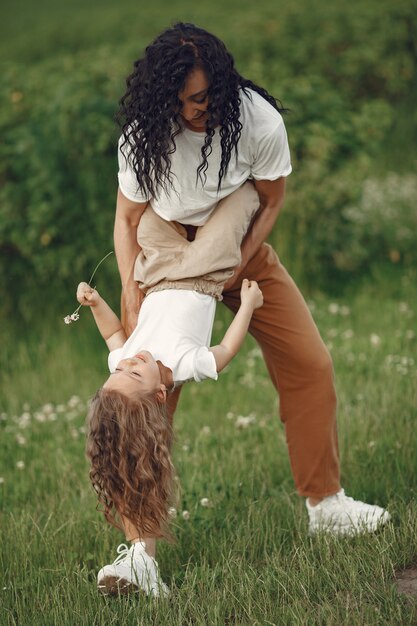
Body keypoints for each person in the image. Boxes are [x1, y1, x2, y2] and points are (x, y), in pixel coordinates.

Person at [112, 21, 390, 592]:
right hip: (164, 262)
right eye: (193, 100)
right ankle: (139, 552)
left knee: (310, 364)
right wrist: (130, 290)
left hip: (237, 253)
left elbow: (269, 203)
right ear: (168, 98)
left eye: (214, 91)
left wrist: (230, 274)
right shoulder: (144, 135)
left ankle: (327, 506)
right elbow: (127, 219)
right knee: (144, 406)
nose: (208, 106)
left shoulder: (257, 119)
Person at [79, 181, 263, 596]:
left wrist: (95, 303)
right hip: (203, 273)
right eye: (132, 373)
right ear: (160, 395)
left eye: (120, 368)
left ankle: (141, 561)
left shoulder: (126, 363)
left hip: (159, 274)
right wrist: (248, 305)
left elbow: (112, 335)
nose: (129, 361)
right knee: (241, 203)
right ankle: (248, 182)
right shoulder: (182, 363)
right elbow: (225, 350)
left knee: (147, 220)